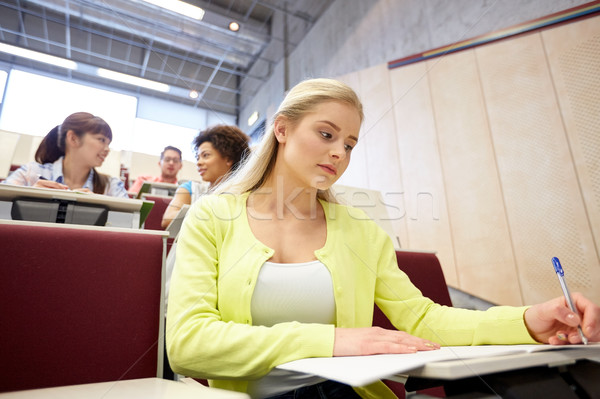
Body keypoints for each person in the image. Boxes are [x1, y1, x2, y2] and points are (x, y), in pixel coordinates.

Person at [166, 78, 600, 399]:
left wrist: (527, 321)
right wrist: (335, 341)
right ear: (281, 129)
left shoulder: (359, 230)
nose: (340, 152)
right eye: (326, 134)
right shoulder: (212, 216)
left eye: (351, 144)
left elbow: (426, 319)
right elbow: (189, 343)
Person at [3, 112, 127, 197]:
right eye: (101, 140)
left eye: (108, 143)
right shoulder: (31, 173)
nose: (107, 149)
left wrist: (98, 204)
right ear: (73, 138)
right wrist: (27, 196)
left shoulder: (111, 185)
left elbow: (131, 227)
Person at [160, 124, 250, 229]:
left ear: (228, 159)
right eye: (198, 157)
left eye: (205, 155)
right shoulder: (190, 188)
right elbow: (167, 220)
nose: (199, 162)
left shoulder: (245, 195)